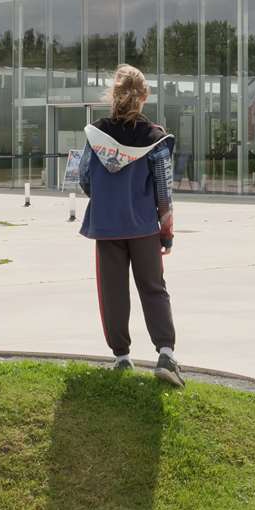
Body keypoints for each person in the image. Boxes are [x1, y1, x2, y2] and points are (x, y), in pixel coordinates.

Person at [77, 64, 182, 387]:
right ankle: (165, 353)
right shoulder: (155, 138)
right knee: (153, 288)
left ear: (114, 95)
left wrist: (108, 198)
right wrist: (166, 231)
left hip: (107, 227)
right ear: (143, 97)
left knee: (113, 292)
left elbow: (84, 178)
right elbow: (164, 189)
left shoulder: (96, 135)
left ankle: (122, 357)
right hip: (143, 227)